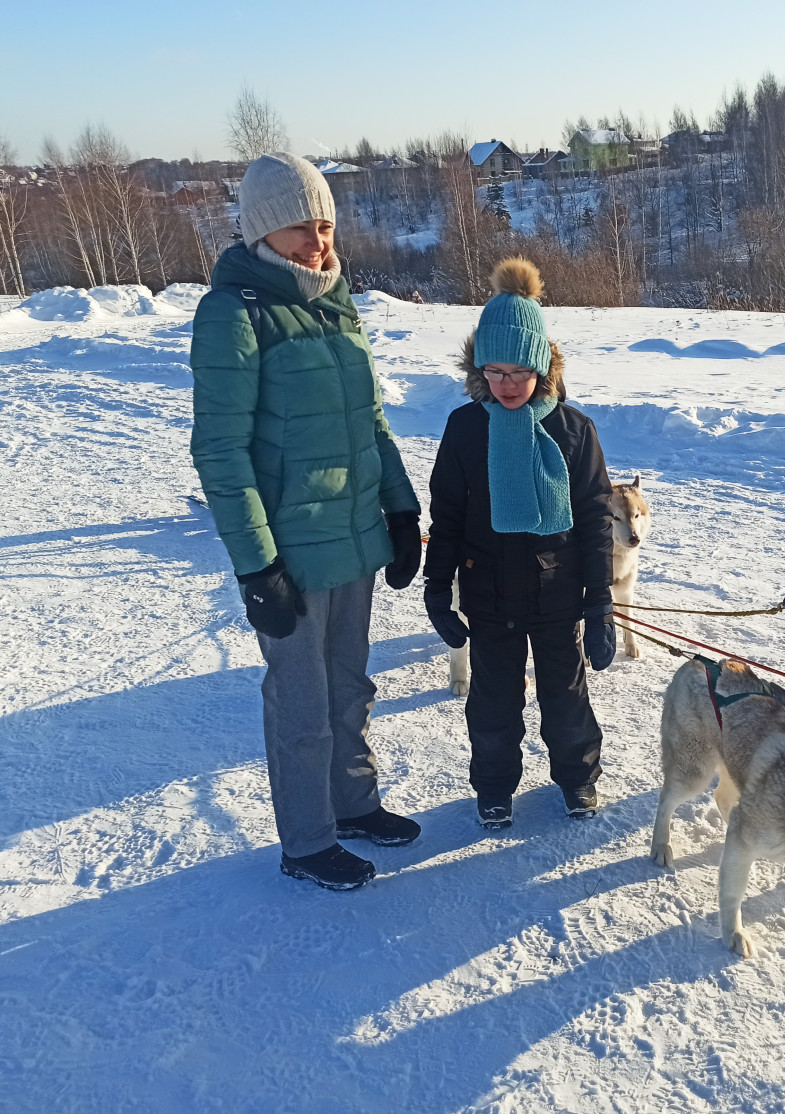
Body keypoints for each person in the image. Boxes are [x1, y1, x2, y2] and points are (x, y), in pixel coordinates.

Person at [190, 152, 423, 891]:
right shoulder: (234, 313)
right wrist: (257, 566)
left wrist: (399, 504)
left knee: (350, 687)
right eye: (300, 228)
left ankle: (353, 805)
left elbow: (371, 421)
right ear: (263, 230)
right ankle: (307, 838)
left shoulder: (335, 300)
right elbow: (221, 453)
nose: (317, 241)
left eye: (324, 225)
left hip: (353, 538)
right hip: (290, 552)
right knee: (302, 703)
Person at [423, 258, 615, 830]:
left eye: (520, 371)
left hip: (557, 595)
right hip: (486, 594)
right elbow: (448, 515)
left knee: (566, 699)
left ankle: (578, 779)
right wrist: (438, 588)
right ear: (479, 370)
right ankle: (494, 787)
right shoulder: (465, 428)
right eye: (495, 371)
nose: (507, 384)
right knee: (493, 703)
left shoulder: (574, 430)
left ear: (543, 367)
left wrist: (600, 602)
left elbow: (595, 521)